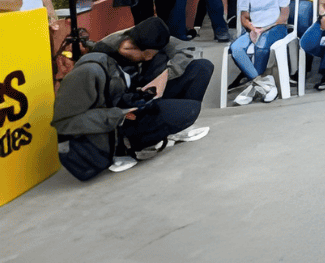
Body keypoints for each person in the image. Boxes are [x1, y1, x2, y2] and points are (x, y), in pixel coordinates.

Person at [53, 17, 212, 177]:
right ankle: (128, 146)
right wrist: (121, 114)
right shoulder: (98, 60)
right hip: (121, 116)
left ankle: (173, 128)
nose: (149, 58)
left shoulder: (147, 35)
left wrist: (166, 74)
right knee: (189, 109)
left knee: (202, 68)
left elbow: (187, 49)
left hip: (141, 96)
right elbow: (72, 119)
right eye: (147, 55)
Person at [228, 0, 290, 105]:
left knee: (261, 47)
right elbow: (244, 18)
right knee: (236, 48)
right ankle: (265, 84)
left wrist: (264, 29)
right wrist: (252, 28)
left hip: (276, 27)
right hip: (254, 28)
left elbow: (284, 17)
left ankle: (253, 88)